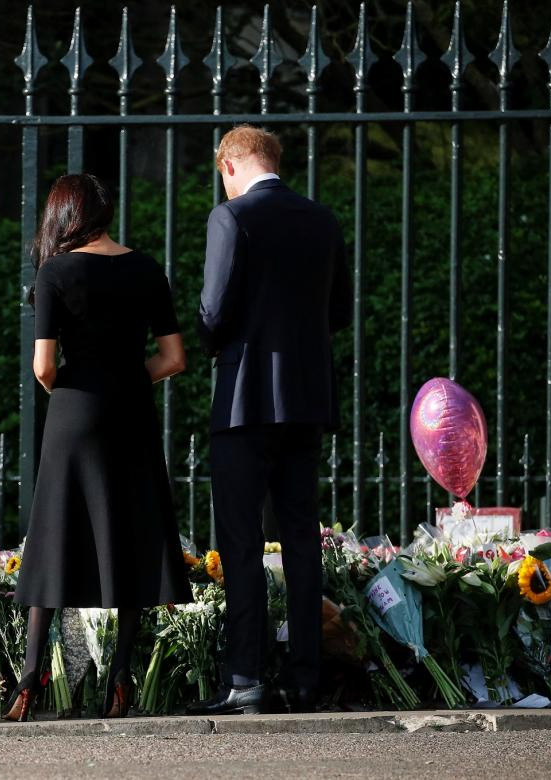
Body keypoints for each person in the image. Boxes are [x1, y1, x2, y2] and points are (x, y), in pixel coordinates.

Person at [8, 173, 190, 721]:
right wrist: (130, 378)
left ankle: (29, 679)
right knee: (132, 530)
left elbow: (43, 365)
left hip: (73, 412)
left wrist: (68, 387)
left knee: (53, 536)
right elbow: (175, 357)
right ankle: (119, 679)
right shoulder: (146, 268)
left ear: (64, 215)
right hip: (130, 409)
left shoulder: (55, 271)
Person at [188, 125, 351, 716]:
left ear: (228, 165)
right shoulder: (322, 219)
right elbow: (340, 311)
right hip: (306, 401)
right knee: (302, 539)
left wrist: (215, 338)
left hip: (244, 402)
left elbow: (213, 311)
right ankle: (305, 677)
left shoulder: (231, 218)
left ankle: (245, 677)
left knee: (240, 542)